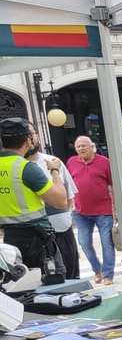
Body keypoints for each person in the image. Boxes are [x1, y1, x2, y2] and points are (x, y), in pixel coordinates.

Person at [0, 118, 68, 276]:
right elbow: (60, 202)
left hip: (10, 241)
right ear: (28, 140)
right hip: (39, 241)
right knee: (54, 287)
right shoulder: (25, 168)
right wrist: (55, 171)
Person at [26, 131, 80, 279]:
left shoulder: (54, 161)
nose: (29, 139)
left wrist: (65, 217)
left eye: (31, 134)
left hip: (62, 231)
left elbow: (69, 197)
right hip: (31, 238)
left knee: (70, 277)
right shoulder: (14, 167)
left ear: (37, 135)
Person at [67, 135, 115, 284]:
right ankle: (97, 269)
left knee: (106, 242)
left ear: (91, 146)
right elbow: (67, 184)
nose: (81, 148)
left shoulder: (104, 162)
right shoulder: (71, 162)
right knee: (84, 242)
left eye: (84, 145)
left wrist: (117, 207)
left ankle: (108, 274)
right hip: (80, 211)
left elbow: (114, 185)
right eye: (78, 146)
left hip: (103, 211)